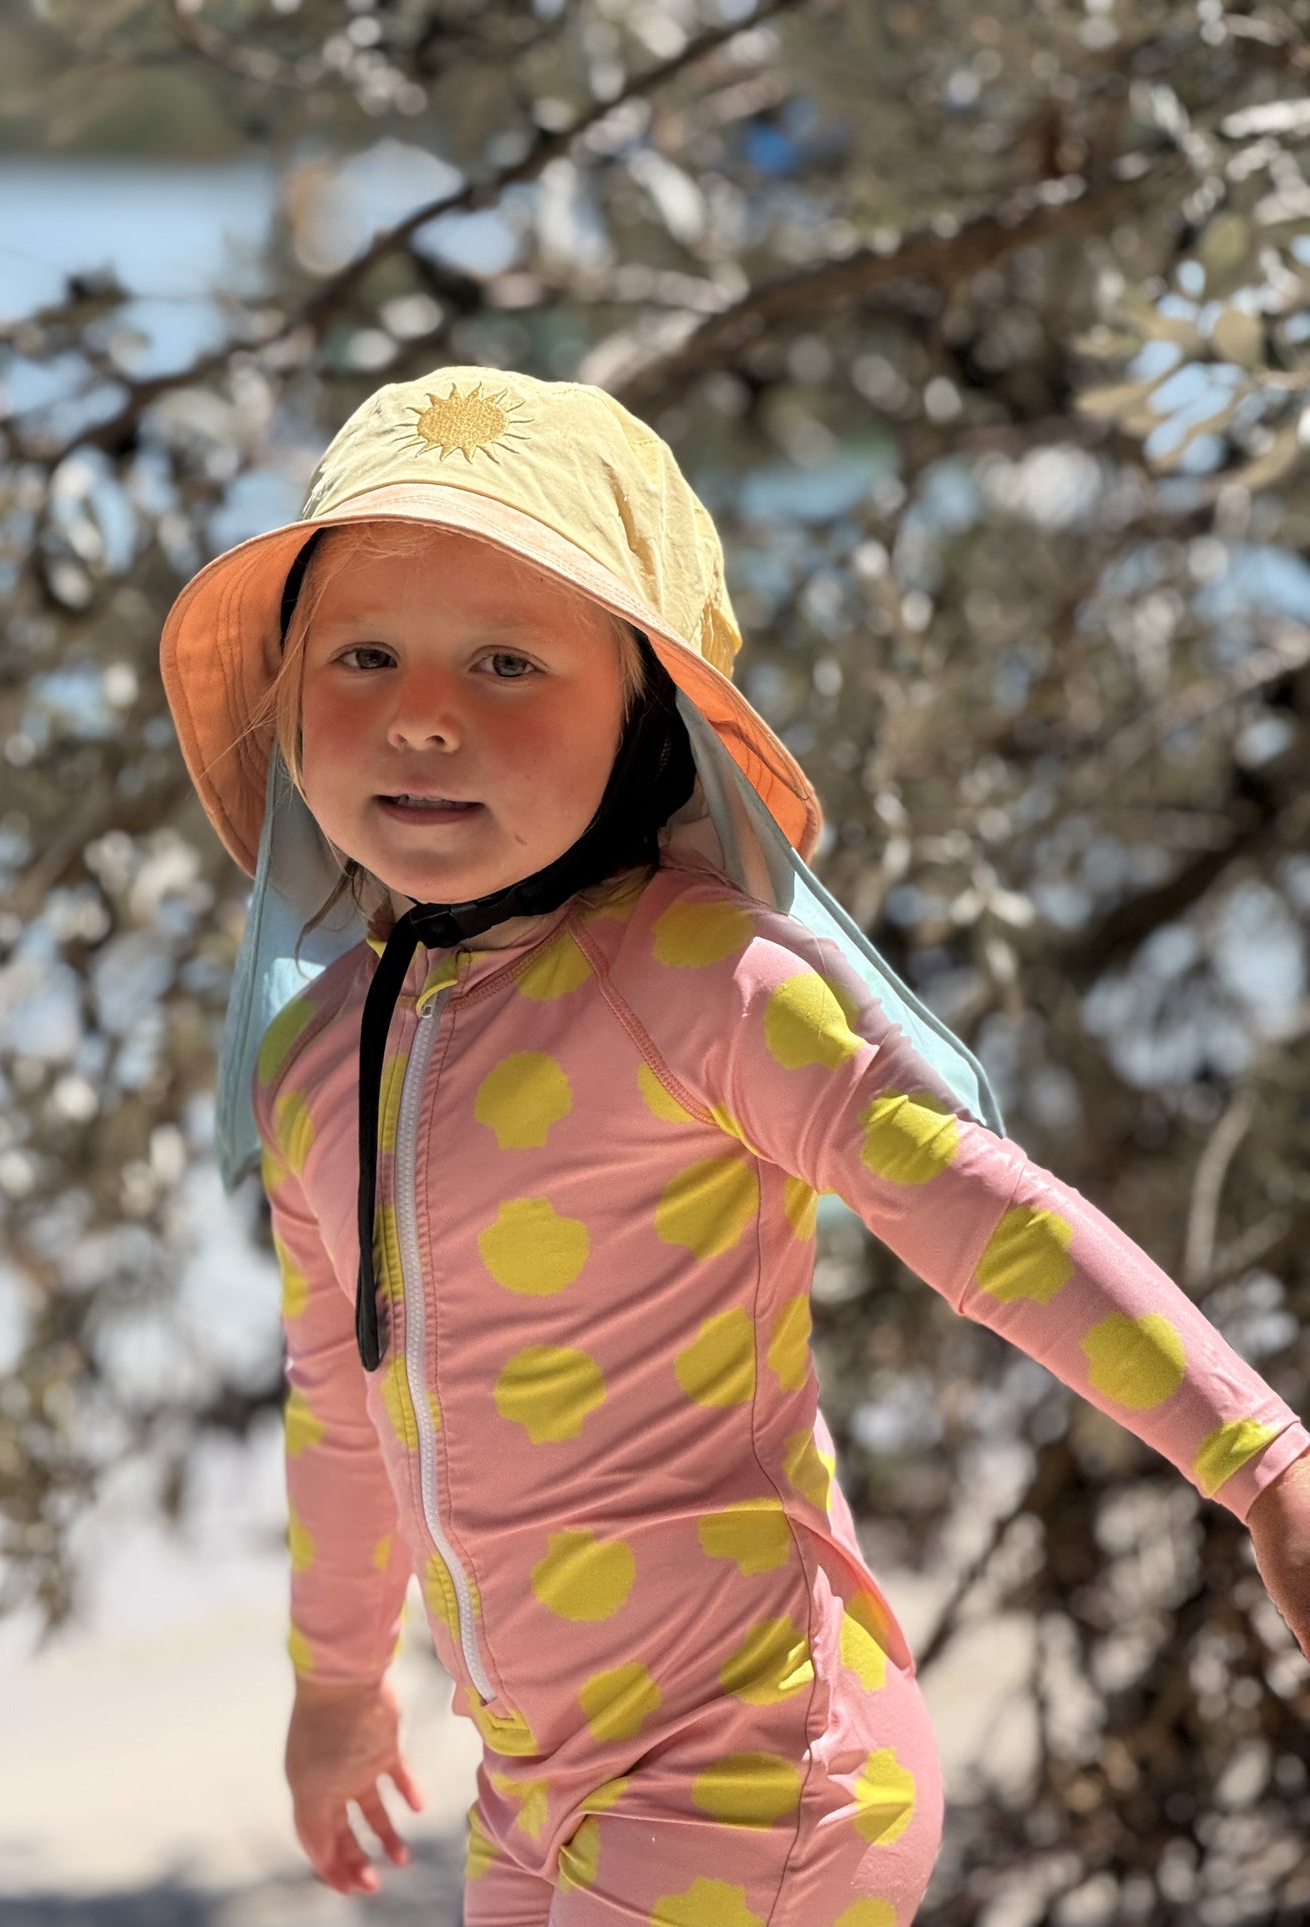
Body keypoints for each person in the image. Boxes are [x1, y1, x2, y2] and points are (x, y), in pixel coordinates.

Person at [159, 367, 1310, 1926]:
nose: (424, 711)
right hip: (533, 1788)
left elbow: (988, 1220)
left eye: (507, 661)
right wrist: (338, 1688)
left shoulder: (696, 981)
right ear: (289, 698)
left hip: (760, 1764)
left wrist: (1262, 1463)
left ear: (644, 719)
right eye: (363, 653)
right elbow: (340, 1406)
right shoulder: (318, 1065)